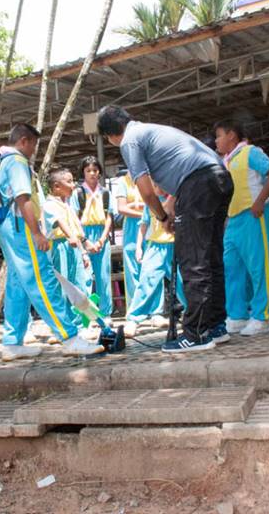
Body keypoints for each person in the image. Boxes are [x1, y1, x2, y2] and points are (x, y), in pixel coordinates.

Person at [98, 106, 234, 353]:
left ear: (110, 135)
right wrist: (171, 208)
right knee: (211, 258)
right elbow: (182, 174)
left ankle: (196, 335)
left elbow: (146, 190)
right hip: (219, 177)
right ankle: (215, 326)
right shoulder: (150, 130)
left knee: (194, 261)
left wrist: (161, 216)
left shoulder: (129, 140)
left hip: (198, 184)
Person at [0, 124, 104, 361]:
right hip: (21, 227)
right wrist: (36, 232)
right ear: (24, 141)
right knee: (43, 280)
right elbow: (23, 198)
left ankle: (12, 342)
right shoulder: (16, 161)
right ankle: (69, 337)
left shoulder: (2, 161)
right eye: (33, 145)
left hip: (8, 228)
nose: (34, 150)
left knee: (17, 284)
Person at [215, 121, 269, 337]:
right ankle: (237, 315)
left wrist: (260, 201)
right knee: (232, 267)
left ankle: (263, 316)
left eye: (218, 136)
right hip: (233, 220)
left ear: (231, 135)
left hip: (254, 215)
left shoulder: (250, 152)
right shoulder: (226, 161)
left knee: (258, 266)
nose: (216, 141)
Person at [123, 183, 186, 338]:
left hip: (175, 245)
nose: (160, 188)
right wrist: (139, 247)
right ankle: (133, 319)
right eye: (156, 184)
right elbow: (143, 225)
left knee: (183, 281)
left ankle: (192, 314)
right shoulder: (150, 202)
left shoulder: (177, 199)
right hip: (155, 247)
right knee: (146, 280)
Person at [70, 156, 114, 321]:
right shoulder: (78, 193)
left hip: (102, 234)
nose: (92, 173)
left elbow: (109, 217)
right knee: (85, 278)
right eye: (88, 170)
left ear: (100, 172)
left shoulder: (105, 193)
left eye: (95, 170)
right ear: (83, 172)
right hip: (83, 233)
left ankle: (105, 313)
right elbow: (74, 219)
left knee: (103, 276)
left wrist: (102, 239)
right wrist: (85, 241)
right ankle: (86, 316)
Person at [44, 167, 92, 310]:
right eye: (69, 181)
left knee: (79, 282)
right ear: (57, 186)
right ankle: (65, 318)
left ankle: (80, 317)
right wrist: (70, 237)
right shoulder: (49, 204)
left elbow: (75, 231)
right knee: (64, 284)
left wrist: (83, 252)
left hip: (74, 246)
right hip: (60, 246)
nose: (73, 185)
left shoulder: (67, 205)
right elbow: (59, 221)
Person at [114, 170, 145, 311]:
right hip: (132, 225)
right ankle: (135, 308)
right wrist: (143, 214)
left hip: (149, 225)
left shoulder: (147, 178)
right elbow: (121, 208)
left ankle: (154, 309)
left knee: (150, 264)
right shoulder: (123, 181)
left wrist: (132, 206)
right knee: (132, 266)